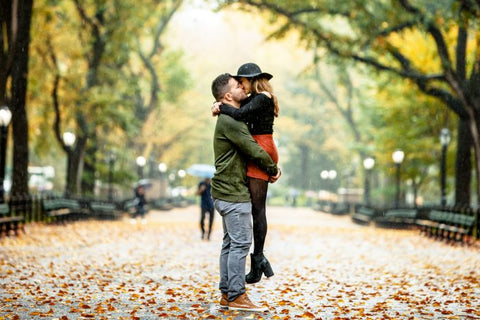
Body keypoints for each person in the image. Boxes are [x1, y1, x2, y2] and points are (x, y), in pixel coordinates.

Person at [211, 73, 281, 311]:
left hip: (224, 191)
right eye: (237, 86)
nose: (243, 88)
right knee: (240, 244)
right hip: (233, 193)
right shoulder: (232, 122)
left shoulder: (228, 116)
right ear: (229, 95)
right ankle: (237, 295)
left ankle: (226, 293)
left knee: (230, 244)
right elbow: (254, 150)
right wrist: (273, 169)